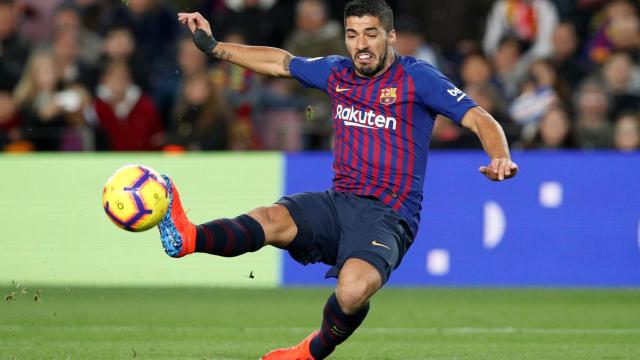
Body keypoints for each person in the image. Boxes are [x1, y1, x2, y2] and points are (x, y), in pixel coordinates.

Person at [160, 1, 518, 359]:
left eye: (370, 34)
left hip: (388, 216)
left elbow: (478, 117)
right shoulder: (336, 72)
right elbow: (279, 62)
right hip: (337, 203)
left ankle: (311, 351)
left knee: (351, 292)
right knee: (269, 218)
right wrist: (213, 47)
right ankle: (188, 237)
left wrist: (499, 154)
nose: (361, 44)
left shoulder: (418, 78)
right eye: (352, 34)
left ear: (390, 36)